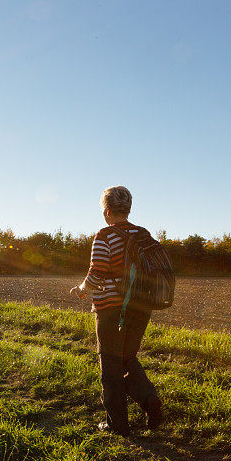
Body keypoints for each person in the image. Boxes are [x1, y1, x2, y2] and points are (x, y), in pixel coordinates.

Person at [70, 186, 163, 435]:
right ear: (129, 209)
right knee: (127, 359)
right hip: (141, 309)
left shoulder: (105, 235)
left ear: (107, 211)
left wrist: (81, 289)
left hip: (112, 310)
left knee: (110, 365)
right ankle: (150, 401)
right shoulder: (143, 234)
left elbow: (97, 272)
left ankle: (117, 424)